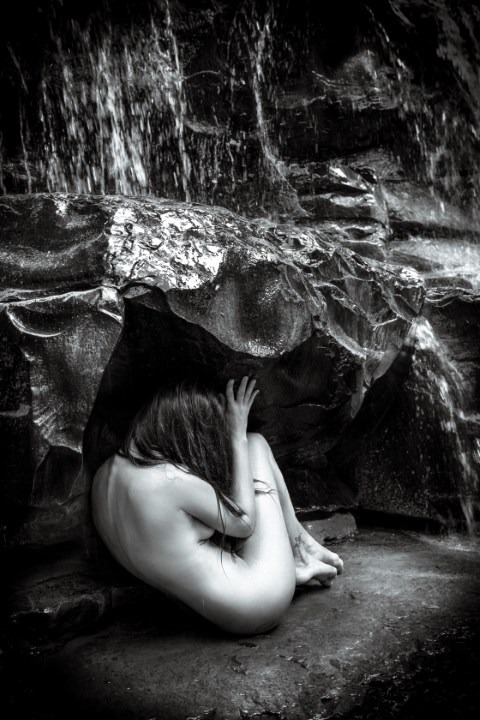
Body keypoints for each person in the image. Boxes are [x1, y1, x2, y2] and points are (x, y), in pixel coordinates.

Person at [91, 376, 343, 635]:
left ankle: (298, 557)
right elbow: (244, 524)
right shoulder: (170, 480)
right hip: (257, 604)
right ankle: (299, 552)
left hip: (199, 612)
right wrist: (237, 435)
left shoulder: (104, 475)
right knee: (255, 443)